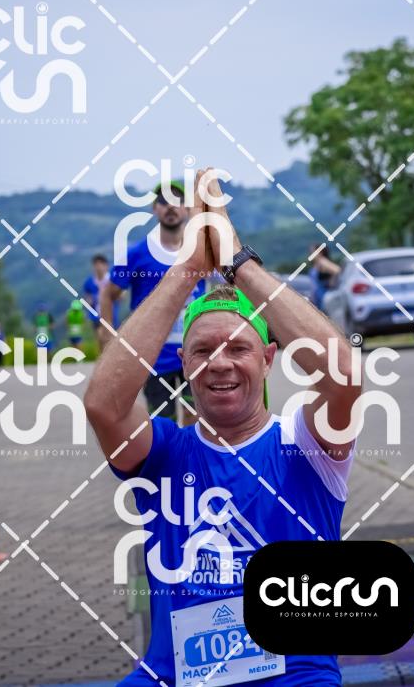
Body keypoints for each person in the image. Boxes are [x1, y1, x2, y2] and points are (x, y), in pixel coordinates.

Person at [85, 169, 360, 687]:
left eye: (238, 348)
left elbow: (344, 376)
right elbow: (103, 405)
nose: (220, 363)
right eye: (202, 351)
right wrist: (188, 268)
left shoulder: (304, 444)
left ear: (269, 359)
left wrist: (237, 260)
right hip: (173, 675)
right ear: (184, 366)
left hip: (293, 675)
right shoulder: (164, 452)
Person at [100, 180, 206, 424]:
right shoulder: (137, 254)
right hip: (152, 358)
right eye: (163, 201)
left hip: (195, 352)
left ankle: (189, 452)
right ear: (154, 208)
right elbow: (108, 293)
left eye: (177, 200)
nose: (170, 206)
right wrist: (108, 335)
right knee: (163, 424)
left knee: (196, 417)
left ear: (187, 208)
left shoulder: (200, 252)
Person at [83, 254, 117, 350]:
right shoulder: (89, 282)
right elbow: (87, 298)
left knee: (109, 340)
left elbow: (121, 295)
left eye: (101, 264)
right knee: (100, 338)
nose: (98, 267)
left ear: (106, 266)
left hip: (110, 315)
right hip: (96, 316)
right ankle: (102, 356)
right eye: (96, 265)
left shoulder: (112, 280)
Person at [309, 243, 341, 310]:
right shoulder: (317, 264)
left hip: (324, 297)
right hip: (318, 298)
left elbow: (338, 270)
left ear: (320, 252)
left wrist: (332, 281)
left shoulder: (322, 262)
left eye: (313, 252)